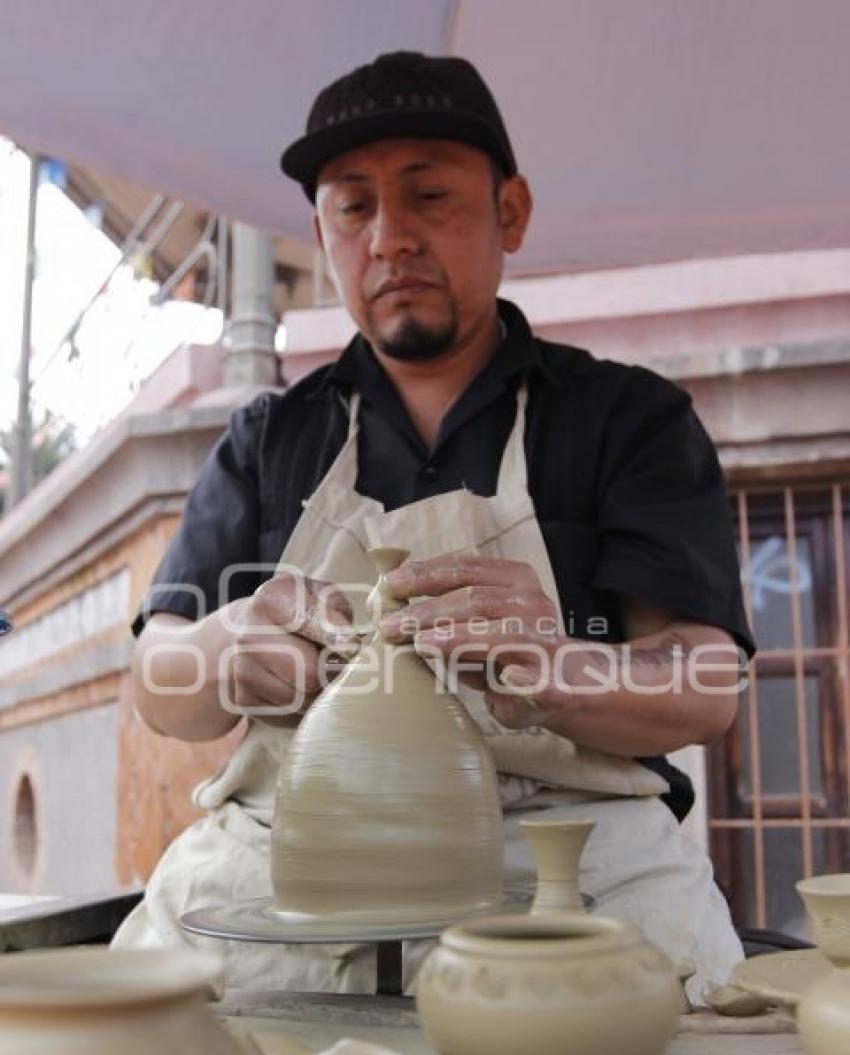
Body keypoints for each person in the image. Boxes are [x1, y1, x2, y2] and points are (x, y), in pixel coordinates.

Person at [113, 50, 754, 1003]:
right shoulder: (267, 438)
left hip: (562, 857)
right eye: (353, 206)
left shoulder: (625, 419)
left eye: (429, 197)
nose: (390, 239)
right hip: (292, 850)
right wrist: (221, 644)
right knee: (137, 1053)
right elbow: (160, 683)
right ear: (323, 232)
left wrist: (563, 667)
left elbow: (707, 685)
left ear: (510, 213)